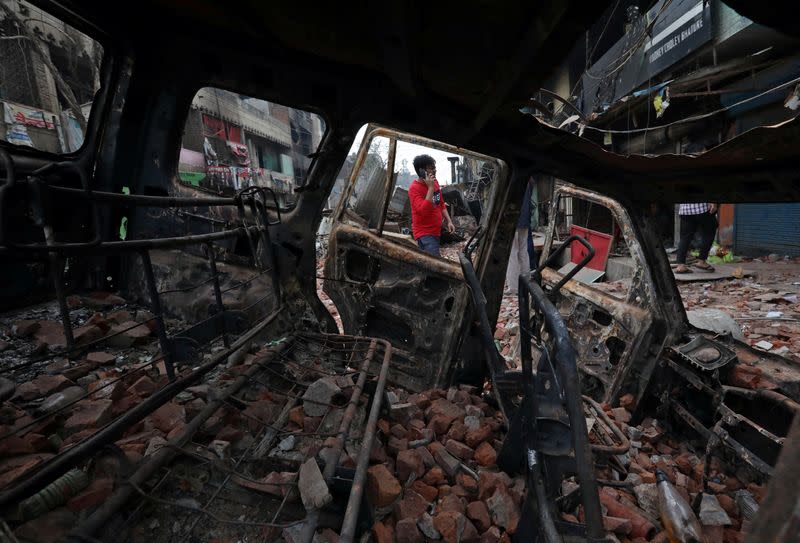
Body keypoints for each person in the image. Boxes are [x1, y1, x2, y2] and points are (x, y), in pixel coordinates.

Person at [409, 154, 455, 257]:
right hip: (424, 234)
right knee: (435, 264)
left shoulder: (435, 182)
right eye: (431, 168)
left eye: (435, 168)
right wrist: (430, 188)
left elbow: (441, 203)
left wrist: (449, 221)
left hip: (435, 232)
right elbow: (423, 210)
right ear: (422, 171)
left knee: (430, 264)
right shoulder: (414, 189)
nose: (434, 171)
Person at [505, 179, 533, 294]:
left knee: (512, 253)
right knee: (523, 251)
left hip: (513, 221)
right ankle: (527, 282)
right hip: (525, 221)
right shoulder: (528, 183)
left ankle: (513, 287)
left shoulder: (512, 182)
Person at [675, 202, 717, 273]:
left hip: (685, 210)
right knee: (710, 231)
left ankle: (680, 265)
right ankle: (702, 261)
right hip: (701, 209)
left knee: (685, 237)